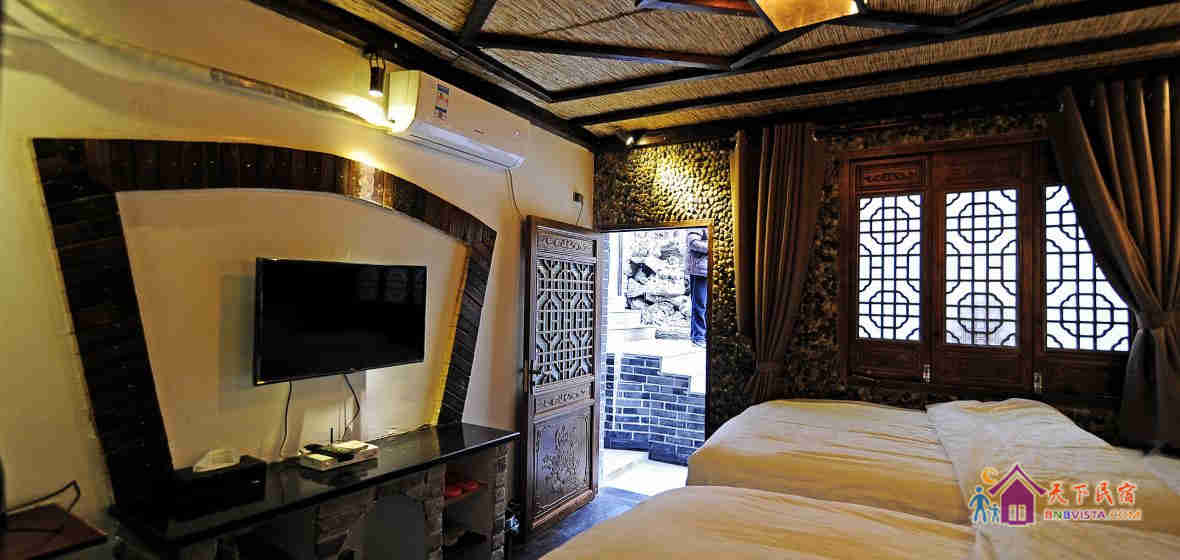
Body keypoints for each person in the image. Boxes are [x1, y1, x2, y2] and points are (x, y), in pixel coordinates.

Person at [684, 229, 708, 347]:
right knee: (700, 305)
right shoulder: (699, 225)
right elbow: (693, 243)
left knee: (708, 306)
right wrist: (715, 246)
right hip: (700, 271)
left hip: (711, 269)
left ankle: (706, 336)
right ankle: (698, 337)